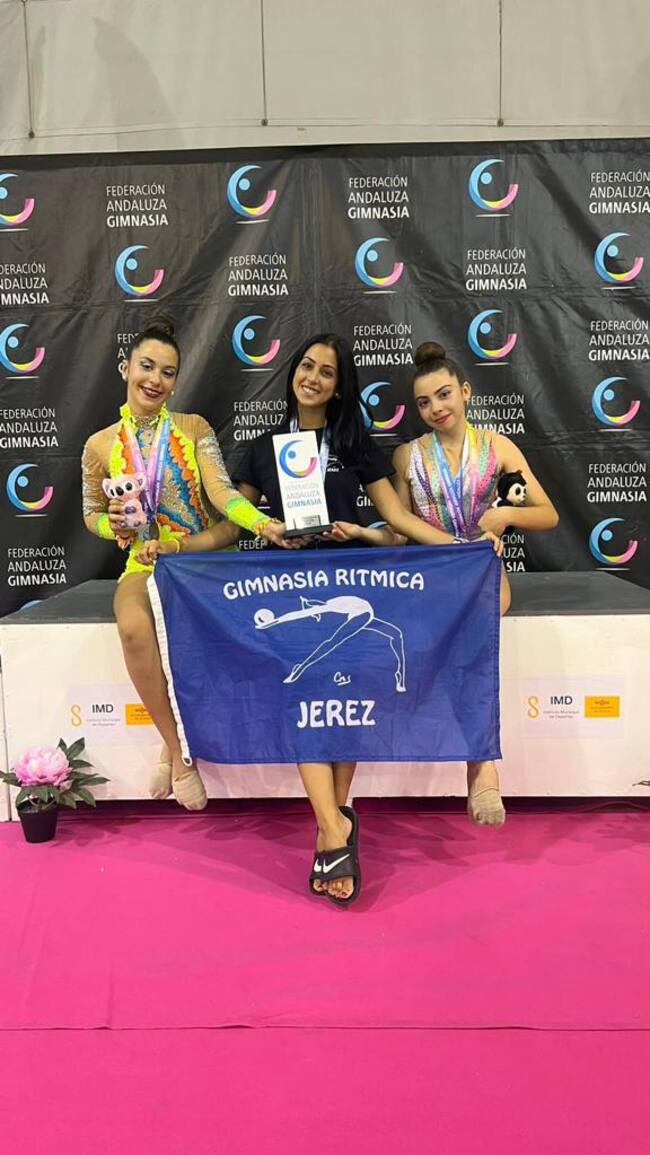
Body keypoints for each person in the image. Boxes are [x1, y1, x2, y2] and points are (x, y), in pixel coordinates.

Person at [142, 332, 503, 906]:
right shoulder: (263, 448)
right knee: (305, 694)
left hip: (354, 580)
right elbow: (233, 524)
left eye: (327, 372)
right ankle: (333, 827)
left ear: (338, 387)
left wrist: (457, 550)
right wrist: (183, 547)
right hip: (290, 584)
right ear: (293, 372)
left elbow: (395, 520)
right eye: (307, 366)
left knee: (347, 694)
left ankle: (331, 826)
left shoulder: (355, 442)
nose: (313, 377)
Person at [81, 316, 289, 811]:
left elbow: (221, 494)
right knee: (133, 625)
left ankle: (172, 751)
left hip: (206, 560)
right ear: (125, 368)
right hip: (146, 561)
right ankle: (179, 751)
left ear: (176, 380)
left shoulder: (193, 428)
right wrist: (114, 524)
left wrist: (262, 524)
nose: (155, 379)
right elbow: (90, 514)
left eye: (168, 372)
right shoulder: (100, 444)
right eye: (147, 366)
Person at [392, 340, 559, 827]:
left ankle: (481, 766)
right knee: (461, 626)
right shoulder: (406, 456)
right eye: (424, 402)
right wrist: (359, 533)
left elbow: (547, 514)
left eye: (444, 395)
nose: (436, 408)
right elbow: (399, 530)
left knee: (473, 619)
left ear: (465, 391)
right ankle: (481, 766)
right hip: (430, 576)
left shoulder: (498, 447)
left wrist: (504, 515)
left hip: (483, 572)